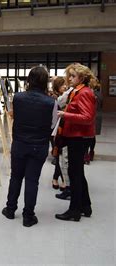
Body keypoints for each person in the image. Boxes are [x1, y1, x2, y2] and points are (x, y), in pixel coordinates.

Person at [2, 66, 57, 227]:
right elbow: (53, 125)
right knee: (32, 180)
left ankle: (10, 209)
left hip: (19, 143)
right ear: (45, 82)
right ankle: (28, 216)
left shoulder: (18, 98)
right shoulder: (51, 102)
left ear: (29, 80)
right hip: (38, 146)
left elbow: (14, 116)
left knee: (16, 177)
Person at [55, 63, 97, 221]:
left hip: (78, 138)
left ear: (82, 78)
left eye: (73, 76)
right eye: (69, 75)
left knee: (75, 173)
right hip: (75, 136)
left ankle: (74, 210)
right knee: (77, 173)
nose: (69, 78)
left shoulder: (84, 93)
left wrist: (65, 115)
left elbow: (88, 118)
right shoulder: (78, 91)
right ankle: (85, 206)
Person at [49, 77, 67, 191]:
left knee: (59, 154)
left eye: (65, 84)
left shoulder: (64, 96)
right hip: (55, 130)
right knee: (58, 155)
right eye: (62, 85)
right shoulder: (55, 98)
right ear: (57, 87)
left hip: (62, 129)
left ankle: (56, 178)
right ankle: (63, 180)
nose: (65, 87)